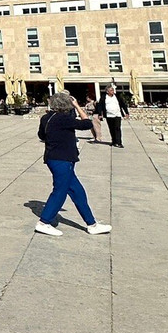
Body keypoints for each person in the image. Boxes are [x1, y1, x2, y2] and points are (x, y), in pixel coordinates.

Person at [34, 92, 112, 237]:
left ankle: (92, 224)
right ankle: (44, 222)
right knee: (60, 191)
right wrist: (77, 105)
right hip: (62, 160)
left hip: (54, 157)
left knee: (78, 192)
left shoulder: (46, 117)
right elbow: (87, 123)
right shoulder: (63, 118)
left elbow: (41, 135)